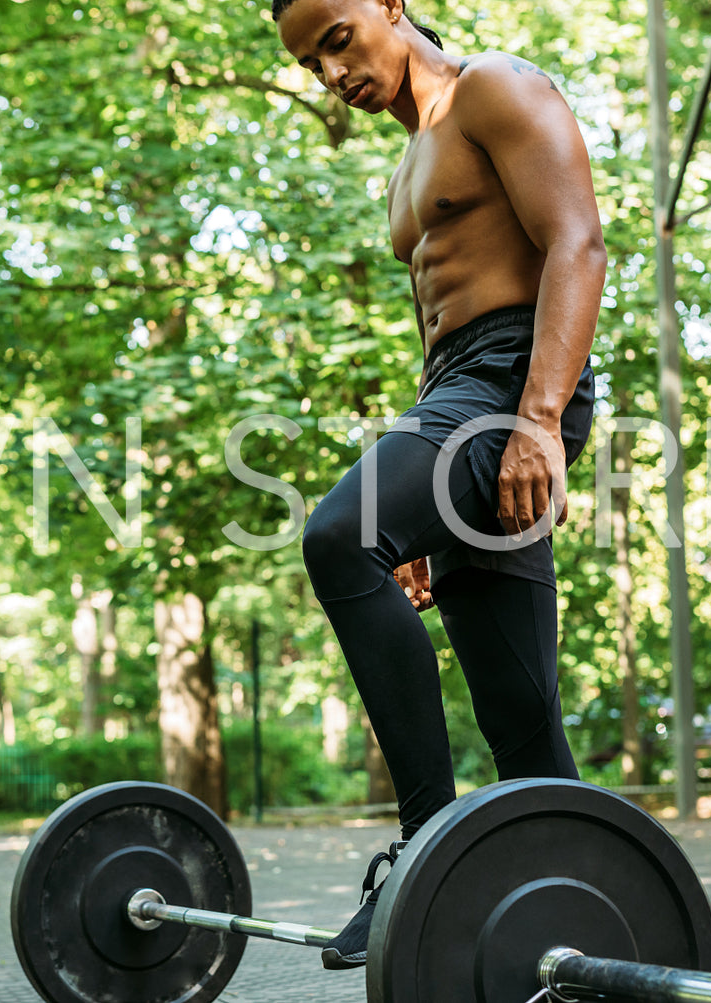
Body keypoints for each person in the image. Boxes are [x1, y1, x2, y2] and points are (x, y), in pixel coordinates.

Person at [272, 0, 607, 970]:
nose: (331, 72)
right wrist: (420, 513)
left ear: (389, 6)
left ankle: (425, 846)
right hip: (457, 401)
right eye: (309, 64)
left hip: (514, 384)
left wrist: (537, 419)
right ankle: (587, 916)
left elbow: (575, 244)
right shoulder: (403, 166)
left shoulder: (493, 88)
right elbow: (437, 339)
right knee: (521, 718)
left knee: (337, 536)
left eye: (336, 38)